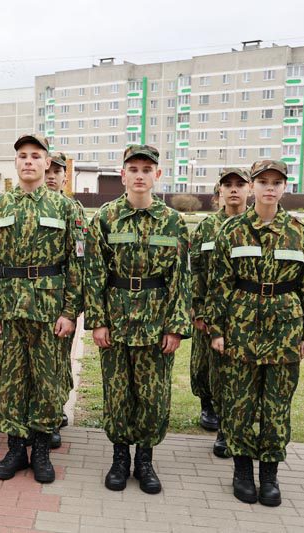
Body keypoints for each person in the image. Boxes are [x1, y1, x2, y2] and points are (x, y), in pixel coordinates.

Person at [207, 160, 304, 507]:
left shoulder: (299, 232)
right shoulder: (232, 231)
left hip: (285, 332)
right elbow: (218, 284)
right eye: (263, 181)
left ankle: (269, 474)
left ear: (285, 187)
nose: (270, 187)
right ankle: (242, 472)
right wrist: (217, 329)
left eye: (277, 182)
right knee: (239, 403)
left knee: (276, 405)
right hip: (241, 328)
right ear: (252, 187)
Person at [85, 144, 190, 494]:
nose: (140, 175)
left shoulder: (172, 221)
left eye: (147, 169)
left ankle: (144, 460)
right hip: (115, 320)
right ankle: (119, 458)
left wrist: (176, 327)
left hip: (156, 321)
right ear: (123, 175)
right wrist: (98, 321)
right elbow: (94, 272)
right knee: (117, 393)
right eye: (134, 169)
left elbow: (180, 277)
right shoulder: (105, 218)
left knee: (152, 395)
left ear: (157, 175)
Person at [0, 134, 81, 484]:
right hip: (7, 311)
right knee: (10, 381)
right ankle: (14, 448)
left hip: (48, 311)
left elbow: (77, 265)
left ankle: (40, 449)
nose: (28, 162)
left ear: (47, 163)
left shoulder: (65, 208)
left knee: (47, 381)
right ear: (15, 162)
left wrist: (70, 312)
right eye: (22, 155)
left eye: (35, 156)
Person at [190, 168, 249, 457]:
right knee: (206, 365)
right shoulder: (207, 228)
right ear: (219, 192)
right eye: (228, 185)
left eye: (240, 184)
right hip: (210, 309)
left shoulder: (256, 226)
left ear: (249, 190)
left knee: (236, 372)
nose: (234, 190)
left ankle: (230, 427)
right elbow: (196, 270)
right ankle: (207, 405)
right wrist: (198, 309)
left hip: (245, 314)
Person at [43, 151, 86, 449]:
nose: (51, 175)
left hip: (58, 299)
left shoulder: (73, 208)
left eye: (57, 171)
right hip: (31, 300)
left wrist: (73, 305)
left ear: (64, 177)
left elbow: (79, 258)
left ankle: (55, 410)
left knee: (58, 361)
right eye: (49, 170)